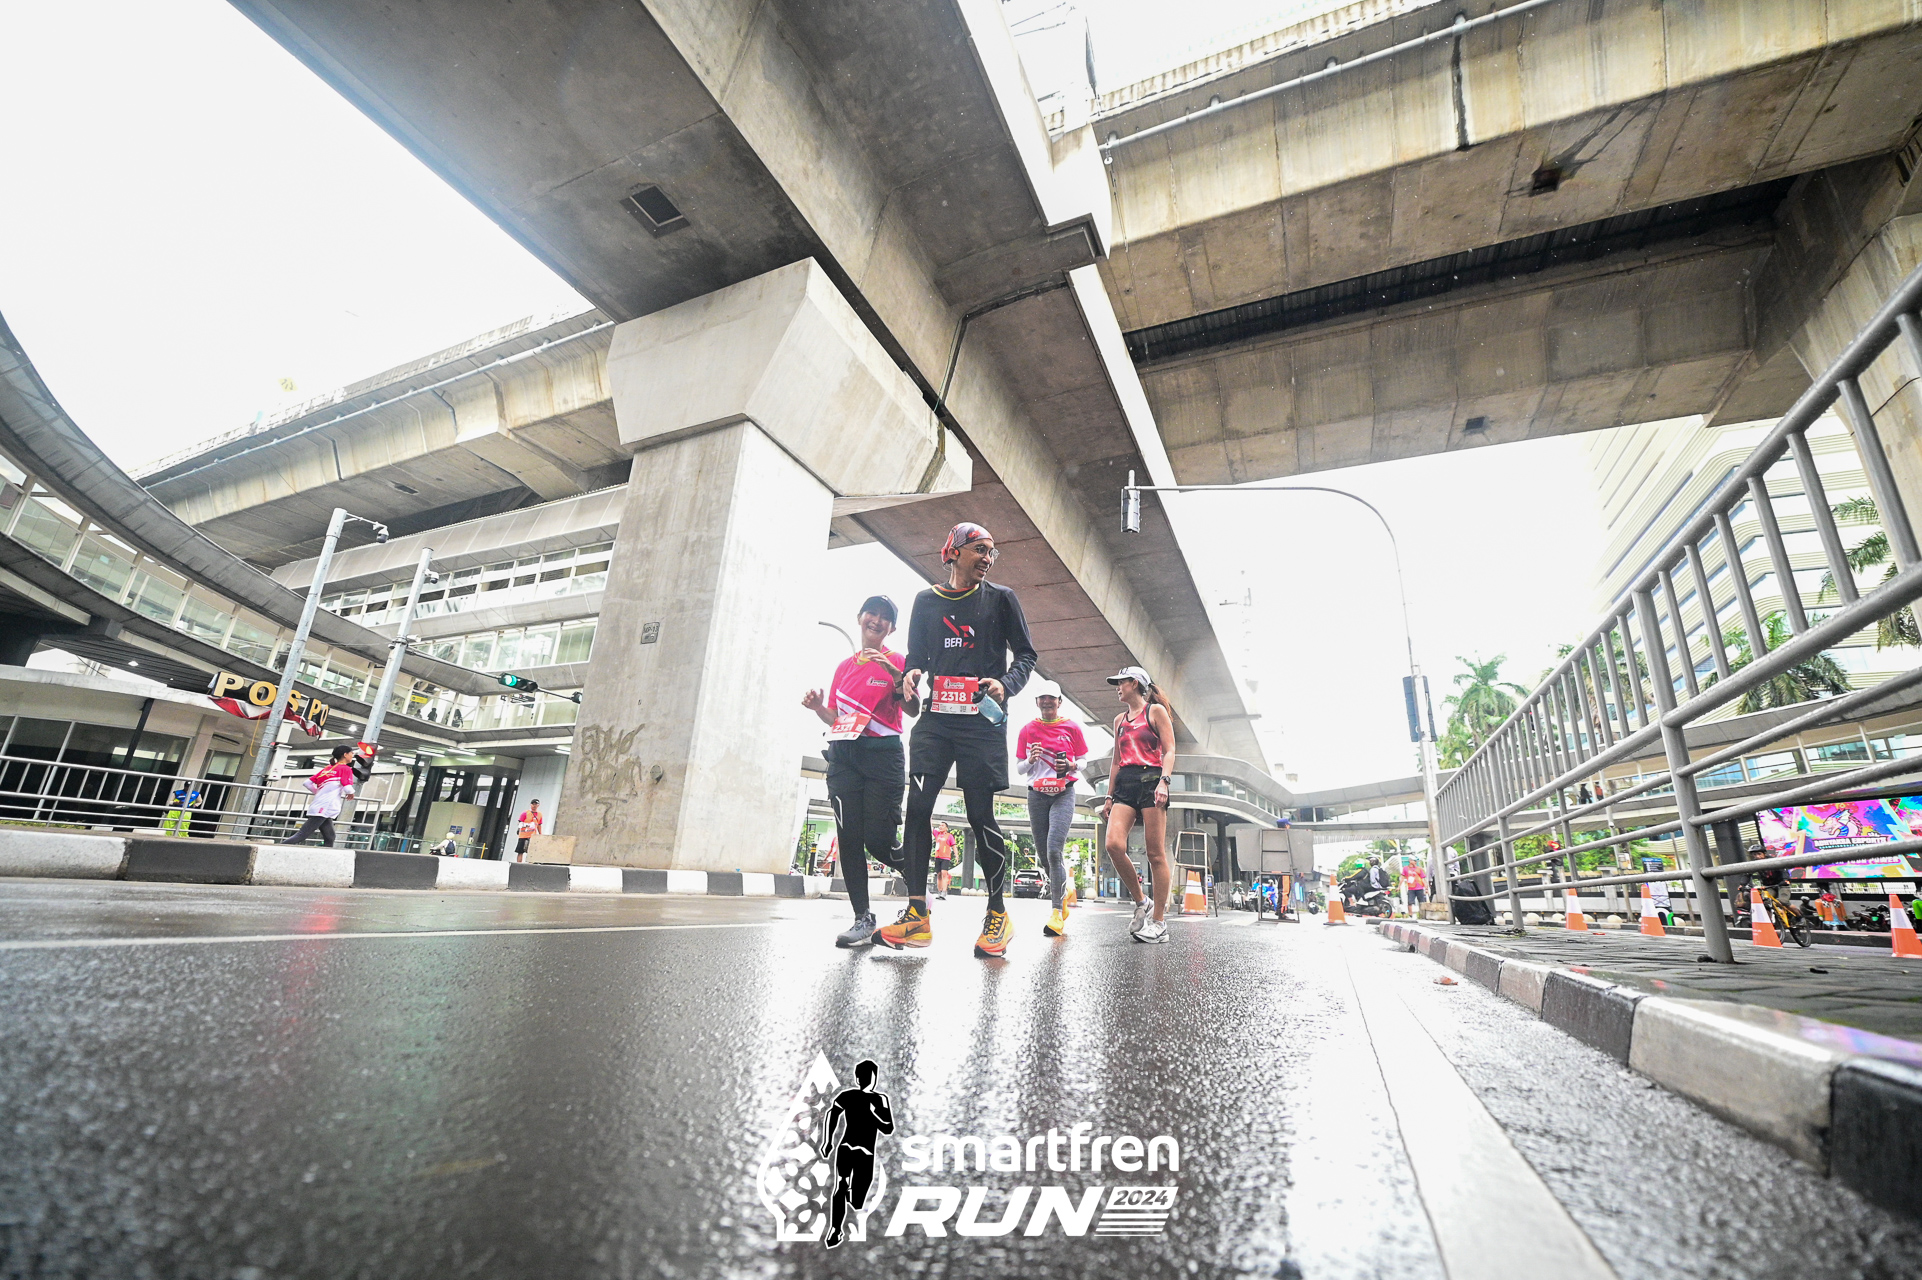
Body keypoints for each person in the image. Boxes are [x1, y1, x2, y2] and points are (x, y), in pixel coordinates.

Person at [874, 522, 1037, 958]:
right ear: (954, 552)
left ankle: (998, 914)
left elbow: (1026, 655)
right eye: (980, 549)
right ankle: (916, 915)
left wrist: (1006, 684)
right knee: (917, 810)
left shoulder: (1002, 599)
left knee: (980, 815)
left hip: (982, 721)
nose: (987, 558)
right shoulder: (926, 601)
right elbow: (917, 656)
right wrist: (912, 672)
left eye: (992, 552)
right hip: (936, 721)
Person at [802, 595, 917, 948]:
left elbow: (913, 709)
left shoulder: (899, 661)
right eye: (872, 613)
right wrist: (818, 707)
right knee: (849, 836)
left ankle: (917, 890)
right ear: (860, 618)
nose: (876, 620)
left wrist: (896, 676)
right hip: (844, 756)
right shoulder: (843, 667)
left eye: (885, 617)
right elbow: (836, 718)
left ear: (891, 628)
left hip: (883, 757)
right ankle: (862, 918)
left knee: (879, 841)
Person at [1100, 666, 1175, 943]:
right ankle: (1142, 901)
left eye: (1120, 683)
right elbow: (1116, 761)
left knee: (1155, 854)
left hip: (1151, 780)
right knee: (1113, 845)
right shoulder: (1119, 720)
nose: (1117, 688)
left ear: (1134, 683)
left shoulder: (1155, 711)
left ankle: (1159, 923)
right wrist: (1109, 796)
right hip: (1126, 783)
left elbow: (1169, 750)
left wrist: (1164, 782)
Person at [1016, 679, 1087, 939]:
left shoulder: (1071, 727)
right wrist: (1030, 760)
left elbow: (1084, 760)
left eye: (1051, 698)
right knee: (1044, 855)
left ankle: (1056, 912)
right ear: (1037, 702)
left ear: (1059, 701)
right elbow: (1019, 768)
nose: (1047, 702)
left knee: (1054, 850)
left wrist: (1072, 765)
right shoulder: (1027, 730)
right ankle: (1062, 892)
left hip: (1063, 793)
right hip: (1036, 795)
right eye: (1042, 698)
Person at [815, 1059, 894, 1249]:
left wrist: (873, 1114)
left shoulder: (880, 1099)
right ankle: (835, 1229)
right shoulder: (848, 1096)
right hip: (848, 1148)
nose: (869, 1080)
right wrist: (828, 1141)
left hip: (863, 1153)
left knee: (857, 1200)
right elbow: (832, 1114)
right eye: (865, 1076)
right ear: (858, 1078)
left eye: (871, 1077)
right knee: (841, 1185)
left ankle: (849, 1200)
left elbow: (888, 1128)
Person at [281, 745, 357, 847]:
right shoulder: (345, 769)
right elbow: (347, 786)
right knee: (302, 834)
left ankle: (326, 855)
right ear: (345, 754)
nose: (352, 755)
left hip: (320, 805)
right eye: (351, 753)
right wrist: (351, 793)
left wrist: (318, 793)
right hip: (325, 806)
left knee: (330, 837)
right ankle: (274, 849)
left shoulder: (328, 768)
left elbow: (307, 783)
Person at [931, 822, 956, 899]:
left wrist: (956, 855)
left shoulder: (949, 836)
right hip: (938, 857)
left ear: (946, 828)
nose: (940, 827)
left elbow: (954, 846)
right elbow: (930, 827)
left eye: (942, 825)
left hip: (945, 857)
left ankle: (944, 892)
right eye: (940, 825)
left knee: (944, 873)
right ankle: (939, 891)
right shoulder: (937, 834)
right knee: (938, 874)